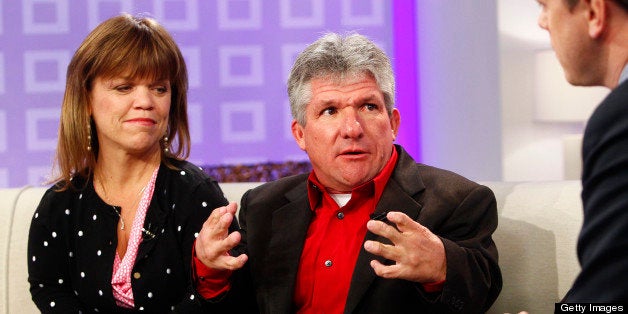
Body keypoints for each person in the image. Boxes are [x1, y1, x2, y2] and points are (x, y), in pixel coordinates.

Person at [193, 32, 502, 313]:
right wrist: (212, 272)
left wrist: (442, 267)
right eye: (330, 111)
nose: (352, 129)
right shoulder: (263, 206)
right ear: (300, 134)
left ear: (392, 123)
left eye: (368, 106)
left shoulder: (457, 201)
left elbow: (480, 297)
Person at [27, 14, 229, 313]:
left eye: (159, 88)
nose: (146, 101)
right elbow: (48, 290)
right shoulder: (59, 207)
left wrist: (211, 273)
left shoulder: (196, 195)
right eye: (124, 87)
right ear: (86, 100)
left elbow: (230, 300)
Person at [536, 0, 628, 302]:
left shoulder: (620, 118)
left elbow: (610, 295)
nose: (542, 22)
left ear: (593, 12)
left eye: (545, 6)